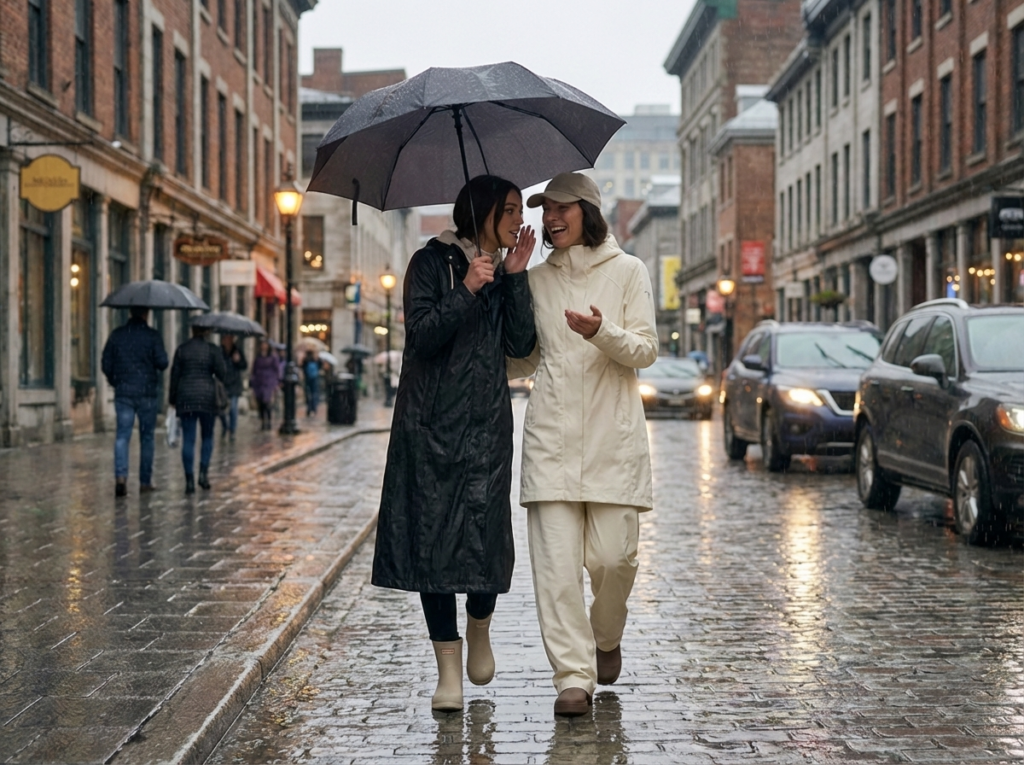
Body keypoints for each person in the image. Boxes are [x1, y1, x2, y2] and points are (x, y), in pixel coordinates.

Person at [371, 175, 537, 712]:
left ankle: (480, 626)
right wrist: (465, 288)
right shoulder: (430, 262)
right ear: (484, 212)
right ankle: (448, 667)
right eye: (509, 210)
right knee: (432, 541)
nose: (518, 219)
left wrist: (512, 280)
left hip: (486, 422)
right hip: (428, 425)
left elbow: (520, 344)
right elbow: (420, 337)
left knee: (486, 534)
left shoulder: (502, 269)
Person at [509, 172, 658, 717]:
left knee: (614, 559)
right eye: (545, 208)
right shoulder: (534, 280)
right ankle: (573, 676)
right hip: (550, 438)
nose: (550, 217)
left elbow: (645, 350)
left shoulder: (628, 272)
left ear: (588, 211)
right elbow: (526, 358)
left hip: (611, 441)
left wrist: (602, 332)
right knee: (555, 570)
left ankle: (606, 637)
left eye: (561, 208)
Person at [101, 306, 169, 496]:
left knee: (122, 435)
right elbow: (163, 363)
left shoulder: (117, 335)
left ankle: (121, 478)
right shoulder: (153, 336)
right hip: (147, 393)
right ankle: (145, 481)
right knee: (147, 438)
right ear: (146, 314)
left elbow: (106, 363)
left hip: (124, 393)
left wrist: (117, 381)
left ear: (130, 313)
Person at [169, 326, 226, 493]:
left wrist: (172, 399)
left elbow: (175, 376)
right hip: (207, 398)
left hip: (186, 397)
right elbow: (222, 373)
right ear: (207, 332)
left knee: (189, 439)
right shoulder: (212, 350)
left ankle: (189, 480)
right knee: (207, 436)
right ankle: (203, 474)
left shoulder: (182, 349)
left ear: (192, 331)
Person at [219, 335, 248, 440]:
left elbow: (244, 365)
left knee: (233, 408)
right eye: (226, 339)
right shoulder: (219, 352)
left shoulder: (237, 351)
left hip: (234, 384)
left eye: (230, 339)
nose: (228, 341)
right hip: (222, 385)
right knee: (221, 410)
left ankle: (232, 430)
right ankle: (224, 426)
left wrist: (238, 361)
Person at [250, 340, 282, 430]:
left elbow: (277, 370)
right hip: (258, 382)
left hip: (269, 382)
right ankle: (263, 421)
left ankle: (268, 421)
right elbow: (254, 369)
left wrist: (277, 382)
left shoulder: (272, 357)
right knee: (260, 403)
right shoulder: (258, 357)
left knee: (267, 402)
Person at [302, 350, 320, 417]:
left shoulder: (306, 360)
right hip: (314, 378)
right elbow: (319, 367)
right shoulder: (315, 360)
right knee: (314, 393)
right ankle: (314, 408)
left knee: (308, 394)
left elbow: (302, 367)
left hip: (307, 378)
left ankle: (309, 409)